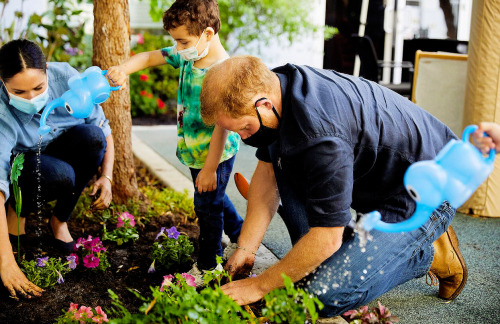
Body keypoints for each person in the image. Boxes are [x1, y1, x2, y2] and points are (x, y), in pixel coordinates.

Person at [199, 55, 468, 317]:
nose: (243, 137)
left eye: (244, 128)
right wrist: (246, 249)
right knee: (304, 269)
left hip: (425, 194)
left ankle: (427, 253)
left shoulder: (321, 134)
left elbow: (327, 238)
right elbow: (268, 173)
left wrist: (259, 285)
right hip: (379, 186)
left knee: (320, 296)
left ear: (265, 104)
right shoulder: (277, 85)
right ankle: (363, 249)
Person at [106, 0, 243, 281]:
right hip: (195, 152)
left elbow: (222, 128)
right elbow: (147, 58)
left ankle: (209, 265)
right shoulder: (189, 54)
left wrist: (208, 169)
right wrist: (123, 69)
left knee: (206, 207)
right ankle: (241, 234)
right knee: (213, 198)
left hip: (214, 154)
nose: (177, 48)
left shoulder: (223, 73)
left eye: (182, 41)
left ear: (206, 33)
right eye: (176, 42)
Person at [0, 39, 115, 299]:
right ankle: (17, 212)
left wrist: (106, 177)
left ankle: (59, 219)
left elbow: (104, 130)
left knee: (92, 137)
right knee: (59, 174)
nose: (31, 98)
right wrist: (5, 261)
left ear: (48, 71)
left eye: (38, 87)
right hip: (23, 165)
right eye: (19, 92)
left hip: (60, 150)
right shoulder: (0, 109)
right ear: (3, 83)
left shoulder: (67, 79)